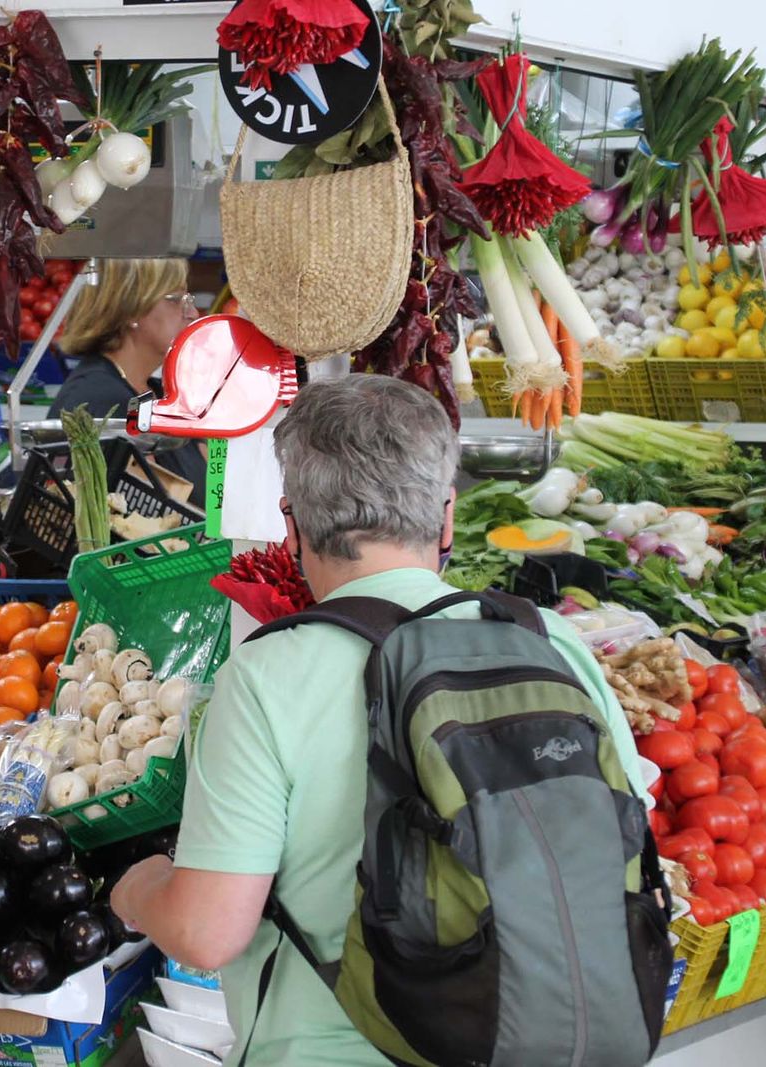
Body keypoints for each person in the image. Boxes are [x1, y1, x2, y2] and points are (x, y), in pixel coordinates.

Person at [109, 375, 644, 1066]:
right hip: (539, 1038)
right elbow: (628, 835)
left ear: (292, 523)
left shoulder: (268, 674)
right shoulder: (550, 640)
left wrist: (139, 884)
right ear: (447, 517)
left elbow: (207, 932)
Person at [49, 257, 206, 497]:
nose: (193, 313)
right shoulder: (99, 403)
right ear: (131, 308)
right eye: (176, 300)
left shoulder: (157, 392)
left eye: (190, 300)